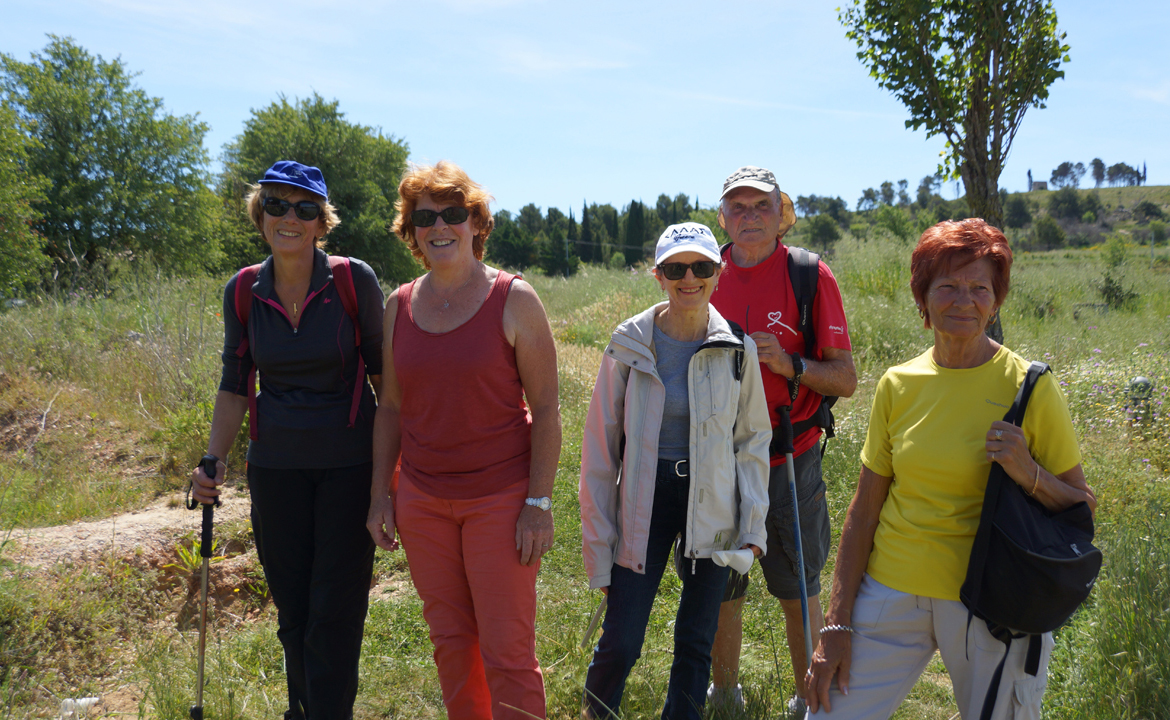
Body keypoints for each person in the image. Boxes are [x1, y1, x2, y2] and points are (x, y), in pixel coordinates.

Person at [804, 219, 1097, 719]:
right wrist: (836, 622)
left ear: (996, 300)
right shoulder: (898, 384)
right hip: (892, 590)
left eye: (979, 287)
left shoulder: (1029, 387)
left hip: (992, 598)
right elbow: (864, 510)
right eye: (948, 286)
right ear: (923, 298)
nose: (964, 300)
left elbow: (1080, 506)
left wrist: (1027, 470)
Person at [190, 160, 385, 720]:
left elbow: (384, 382)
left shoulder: (353, 281)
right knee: (293, 611)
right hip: (275, 471)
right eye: (276, 204)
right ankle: (303, 708)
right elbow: (234, 385)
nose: (289, 217)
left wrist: (391, 475)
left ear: (322, 222)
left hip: (348, 467)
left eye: (305, 208)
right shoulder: (244, 291)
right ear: (261, 215)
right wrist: (212, 460)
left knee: (335, 611)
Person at [366, 161, 561, 720]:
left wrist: (537, 504)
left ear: (477, 223)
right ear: (412, 231)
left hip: (500, 500)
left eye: (454, 214)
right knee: (451, 646)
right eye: (424, 217)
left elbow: (546, 410)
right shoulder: (398, 306)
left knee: (507, 652)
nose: (440, 226)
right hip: (423, 503)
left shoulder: (514, 300)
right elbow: (393, 408)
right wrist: (382, 495)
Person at [580, 222, 772, 720]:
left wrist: (752, 524)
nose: (690, 278)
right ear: (658, 275)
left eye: (702, 267)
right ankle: (596, 712)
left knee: (695, 641)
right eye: (676, 268)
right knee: (621, 638)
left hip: (711, 500)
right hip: (644, 498)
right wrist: (599, 547)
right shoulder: (628, 344)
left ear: (718, 272)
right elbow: (600, 451)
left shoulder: (737, 349)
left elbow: (752, 440)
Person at [702, 166, 857, 715]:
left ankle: (809, 698)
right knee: (720, 581)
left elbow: (846, 379)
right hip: (714, 456)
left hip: (790, 455)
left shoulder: (809, 275)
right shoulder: (700, 270)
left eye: (759, 207)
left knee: (799, 582)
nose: (748, 217)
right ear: (722, 217)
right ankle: (724, 694)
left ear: (779, 216)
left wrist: (789, 363)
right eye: (737, 208)